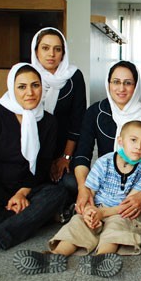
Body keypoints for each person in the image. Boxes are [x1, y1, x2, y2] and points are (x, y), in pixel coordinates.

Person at [13, 121, 141, 277]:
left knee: (118, 227)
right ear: (120, 141)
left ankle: (101, 259)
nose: (138, 146)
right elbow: (89, 192)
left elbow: (129, 203)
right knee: (78, 223)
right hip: (97, 206)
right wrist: (89, 211)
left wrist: (103, 213)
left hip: (121, 211)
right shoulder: (104, 162)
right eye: (133, 140)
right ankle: (55, 256)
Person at [0, 63, 67, 261]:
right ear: (12, 87)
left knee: (58, 193)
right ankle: (40, 218)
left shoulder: (48, 121)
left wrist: (21, 193)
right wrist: (7, 200)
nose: (30, 92)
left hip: (28, 188)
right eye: (22, 87)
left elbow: (43, 165)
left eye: (35, 85)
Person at [74, 60, 141, 220]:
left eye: (128, 83)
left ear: (136, 86)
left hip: (136, 182)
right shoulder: (96, 111)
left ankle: (106, 210)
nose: (121, 88)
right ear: (108, 84)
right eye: (116, 82)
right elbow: (82, 155)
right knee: (69, 183)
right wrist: (83, 188)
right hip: (103, 179)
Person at [31, 27, 87, 221]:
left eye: (57, 49)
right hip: (34, 152)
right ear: (36, 50)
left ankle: (51, 206)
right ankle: (55, 207)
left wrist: (65, 157)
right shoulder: (28, 77)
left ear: (63, 52)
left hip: (66, 149)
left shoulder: (74, 77)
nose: (51, 54)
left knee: (72, 183)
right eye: (45, 48)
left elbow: (77, 121)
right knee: (31, 182)